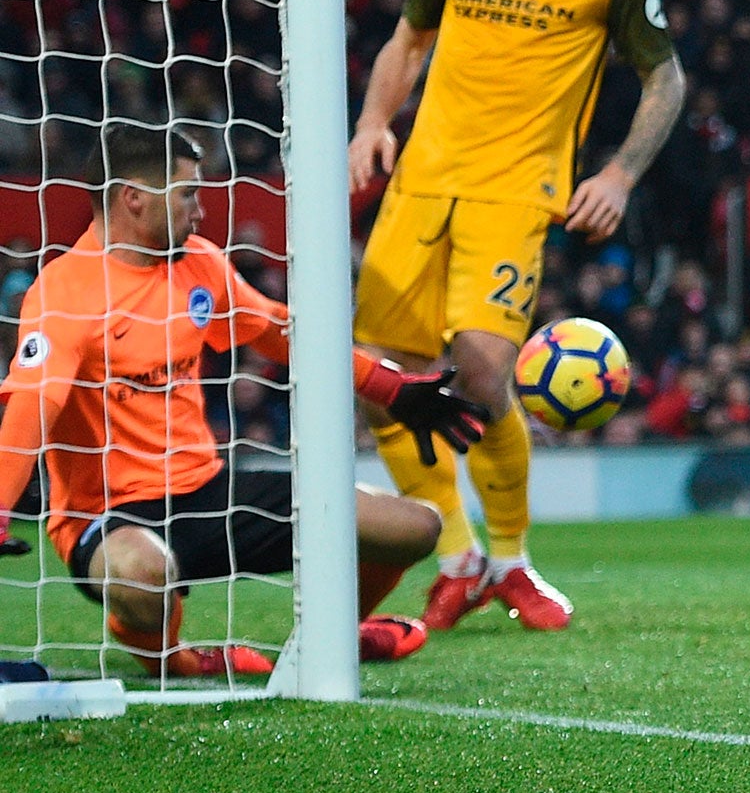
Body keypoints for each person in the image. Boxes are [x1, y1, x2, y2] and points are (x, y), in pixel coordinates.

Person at [350, 0, 685, 633]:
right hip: (423, 180)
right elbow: (409, 39)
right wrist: (372, 126)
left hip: (514, 191)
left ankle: (511, 557)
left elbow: (665, 78)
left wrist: (615, 177)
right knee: (381, 373)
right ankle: (456, 554)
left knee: (486, 372)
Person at [0, 126, 488, 677]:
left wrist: (390, 387)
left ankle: (329, 637)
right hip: (108, 516)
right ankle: (173, 658)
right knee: (141, 572)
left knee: (413, 527)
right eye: (188, 194)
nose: (200, 212)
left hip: (208, 490)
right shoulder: (64, 292)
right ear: (134, 197)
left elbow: (280, 332)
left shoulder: (199, 264)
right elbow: (33, 403)